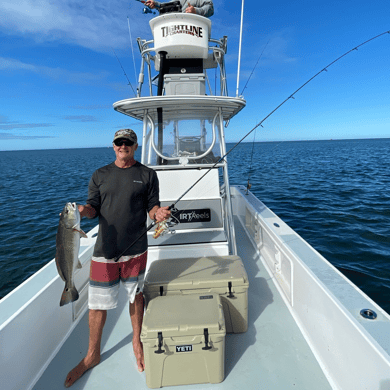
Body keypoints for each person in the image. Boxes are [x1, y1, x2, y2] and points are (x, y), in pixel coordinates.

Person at [64, 129, 170, 388]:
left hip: (136, 248)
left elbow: (152, 206)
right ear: (113, 146)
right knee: (97, 304)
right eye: (119, 142)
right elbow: (92, 209)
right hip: (105, 251)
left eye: (128, 142)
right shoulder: (100, 175)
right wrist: (82, 210)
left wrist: (157, 214)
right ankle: (92, 355)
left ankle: (137, 342)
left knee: (136, 296)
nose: (123, 146)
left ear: (135, 146)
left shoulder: (147, 174)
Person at [145, 0, 214, 17]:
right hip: (176, 31)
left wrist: (196, 11)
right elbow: (169, 7)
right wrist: (156, 4)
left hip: (193, 31)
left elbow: (210, 8)